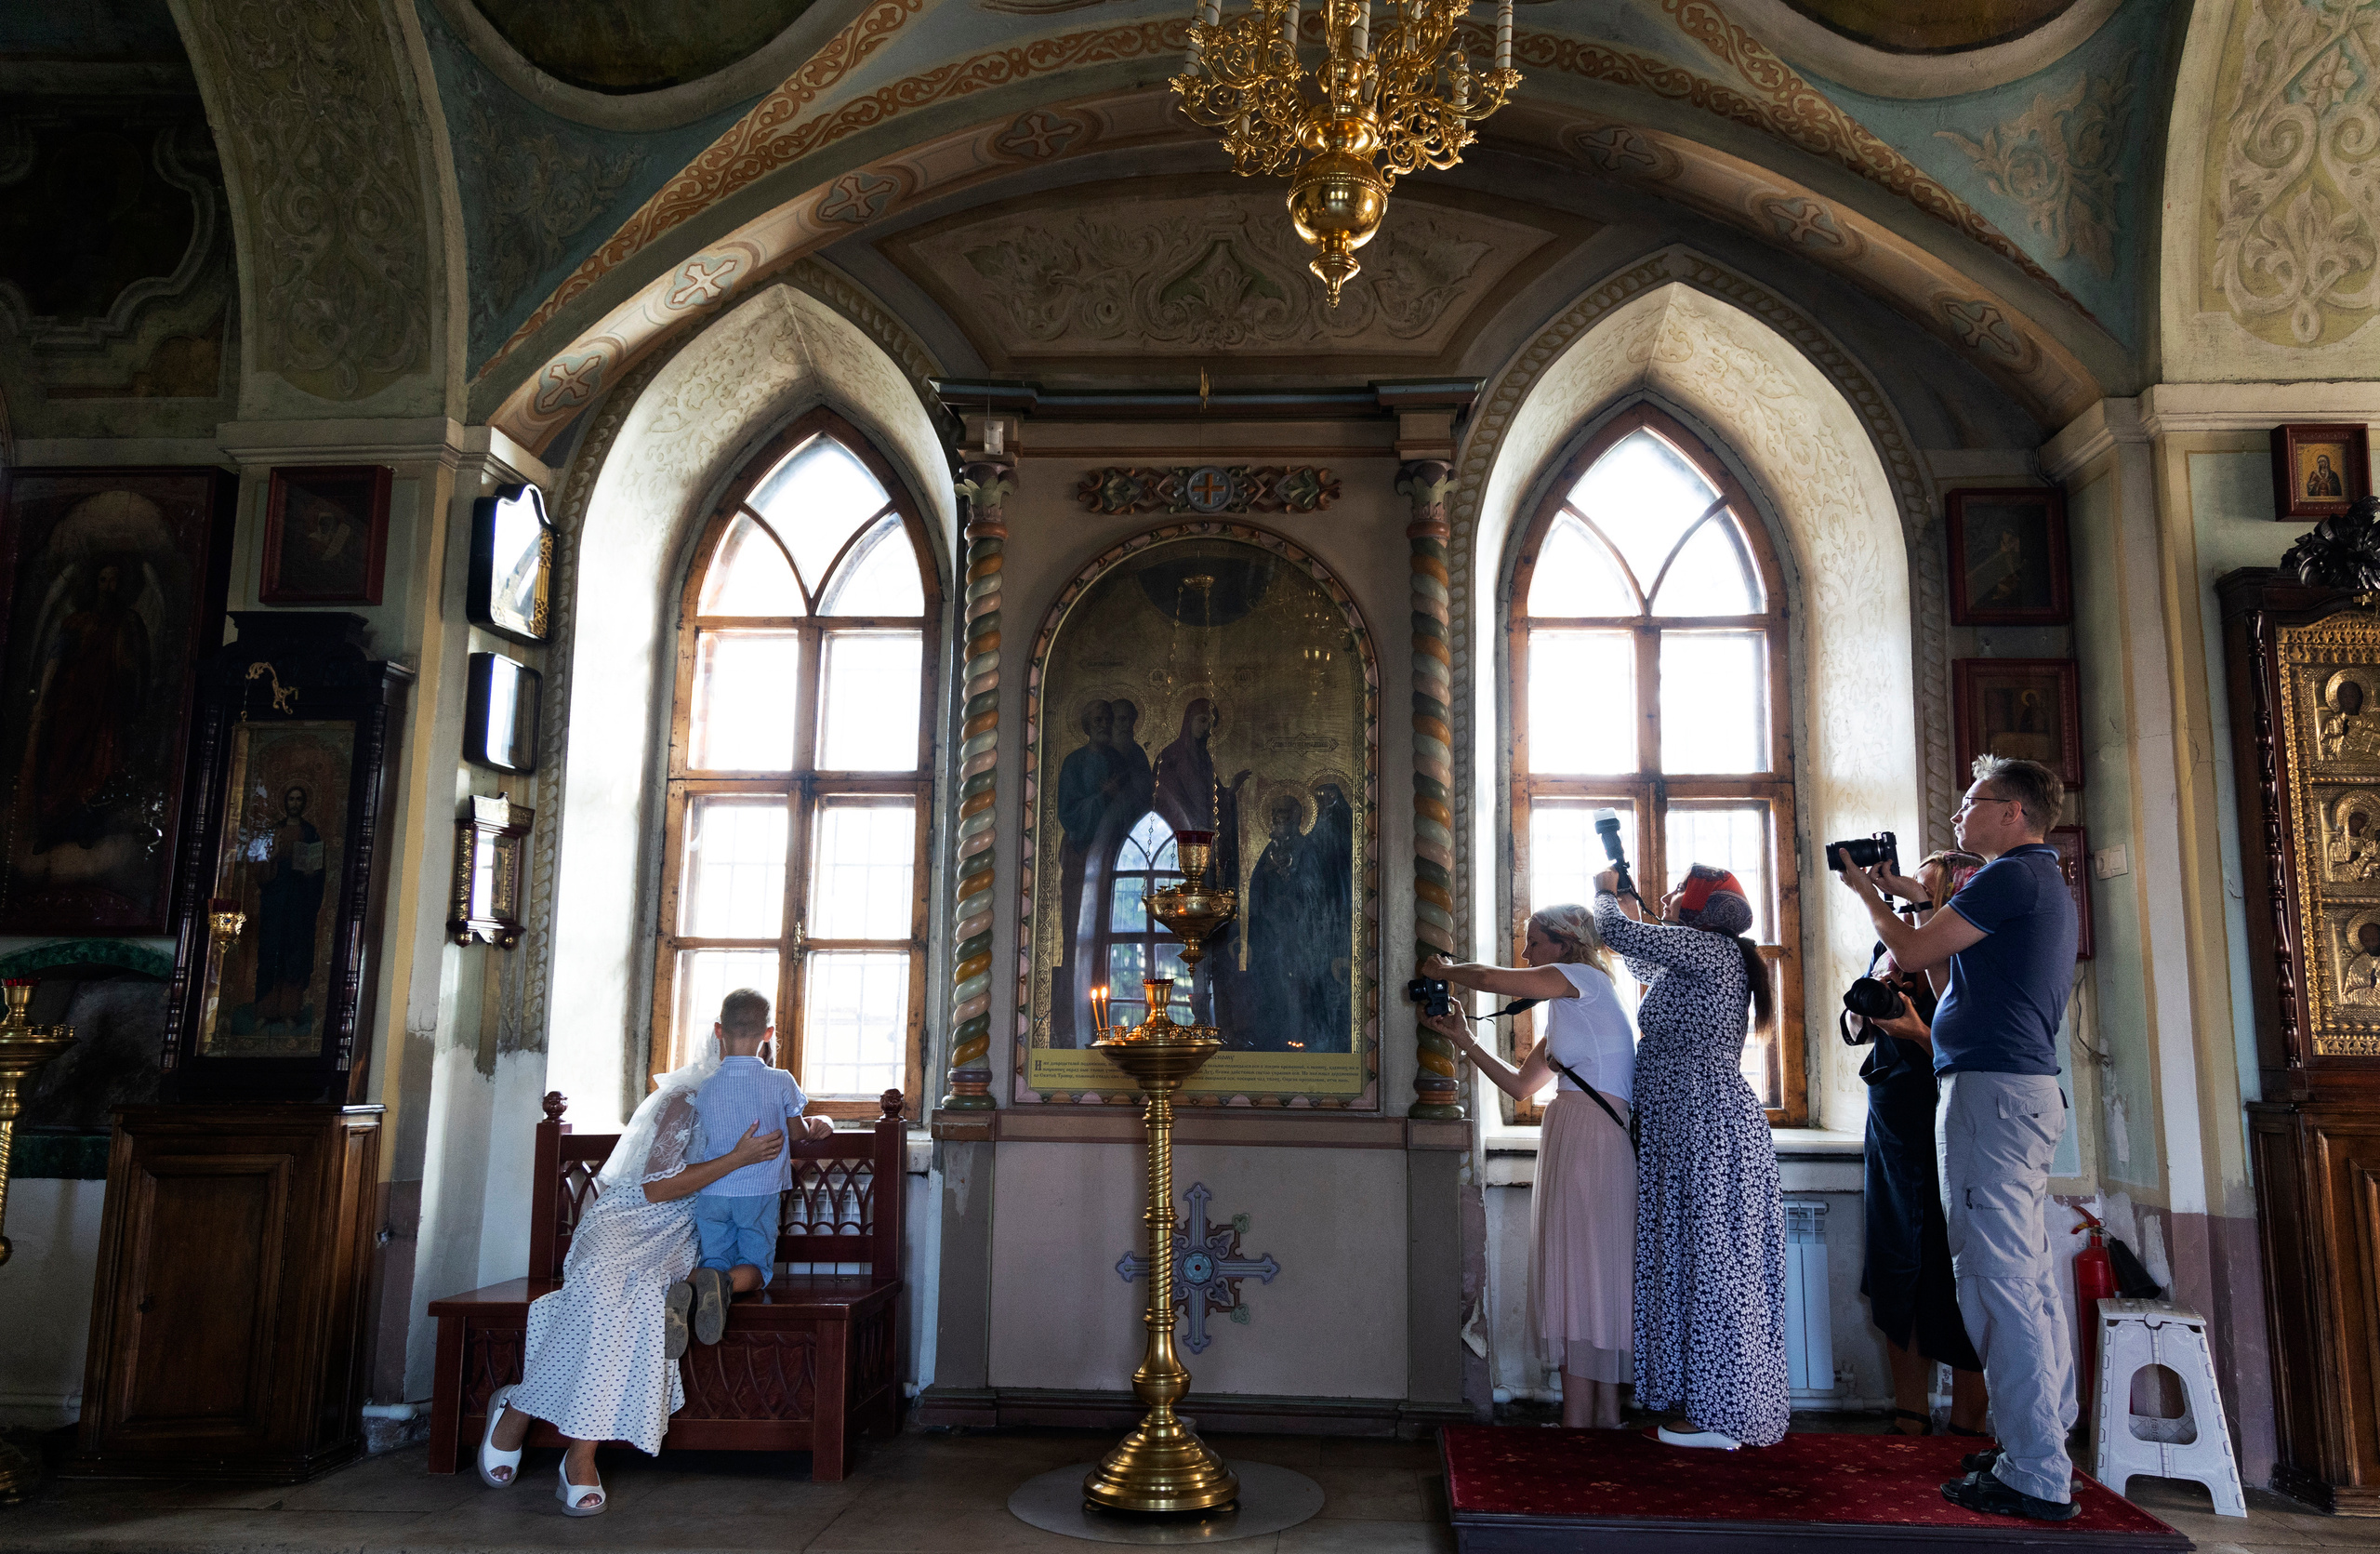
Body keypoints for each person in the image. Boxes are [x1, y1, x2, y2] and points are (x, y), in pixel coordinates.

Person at [1835, 755, 2081, 1522]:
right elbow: (1945, 991)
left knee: (1997, 1280)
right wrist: (1911, 905)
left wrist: (1868, 895)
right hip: (2012, 1091)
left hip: (1992, 1095)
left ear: (2014, 811)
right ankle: (2039, 1442)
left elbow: (1911, 955)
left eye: (1972, 800)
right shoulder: (2036, 881)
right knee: (2026, 1280)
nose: (1957, 814)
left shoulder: (2011, 875)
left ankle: (2035, 1469)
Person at [476, 1022, 787, 1515]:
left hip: (684, 1229)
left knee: (644, 1297)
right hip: (630, 1216)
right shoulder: (684, 1098)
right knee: (601, 1284)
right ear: (720, 1041)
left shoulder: (765, 1098)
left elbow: (797, 1125)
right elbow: (656, 1188)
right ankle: (520, 1413)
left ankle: (571, 1450)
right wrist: (737, 1158)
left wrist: (818, 1123)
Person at [1593, 865, 1789, 1450]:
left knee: (1711, 1263)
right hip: (1689, 1129)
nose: (1667, 895)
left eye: (1679, 891)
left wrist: (1605, 893)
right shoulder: (1703, 955)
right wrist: (1631, 908)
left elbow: (1619, 936)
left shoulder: (1708, 950)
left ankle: (1717, 1414)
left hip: (1701, 1130)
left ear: (1702, 909)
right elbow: (1640, 962)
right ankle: (1700, 1402)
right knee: (1694, 1260)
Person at [1421, 904, 1636, 1428]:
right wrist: (1464, 1041)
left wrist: (1442, 969)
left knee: (1584, 1272)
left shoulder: (1583, 979)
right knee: (1584, 1272)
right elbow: (1521, 1086)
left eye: (1534, 941)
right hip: (1576, 1136)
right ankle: (1599, 1416)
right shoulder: (1571, 1012)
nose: (1525, 953)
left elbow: (1492, 979)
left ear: (1564, 945)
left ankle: (1582, 1419)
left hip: (1591, 1139)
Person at [1849, 850, 1989, 1440]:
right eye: (1907, 895)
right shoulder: (1893, 947)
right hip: (1892, 1123)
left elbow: (1971, 1051)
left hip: (1948, 1119)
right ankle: (1909, 1416)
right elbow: (1856, 1025)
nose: (1910, 902)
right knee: (1894, 1265)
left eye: (1922, 893)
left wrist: (1917, 1031)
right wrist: (1871, 1009)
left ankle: (1967, 1423)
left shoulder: (1973, 954)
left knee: (1953, 1269)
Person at [680, 988, 835, 1341]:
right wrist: (822, 1120)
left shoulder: (705, 1087)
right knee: (756, 1266)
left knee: (714, 1260)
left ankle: (692, 1288)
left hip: (712, 1194)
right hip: (758, 1193)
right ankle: (722, 1286)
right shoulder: (780, 1081)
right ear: (768, 1033)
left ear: (719, 1030)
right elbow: (798, 1133)